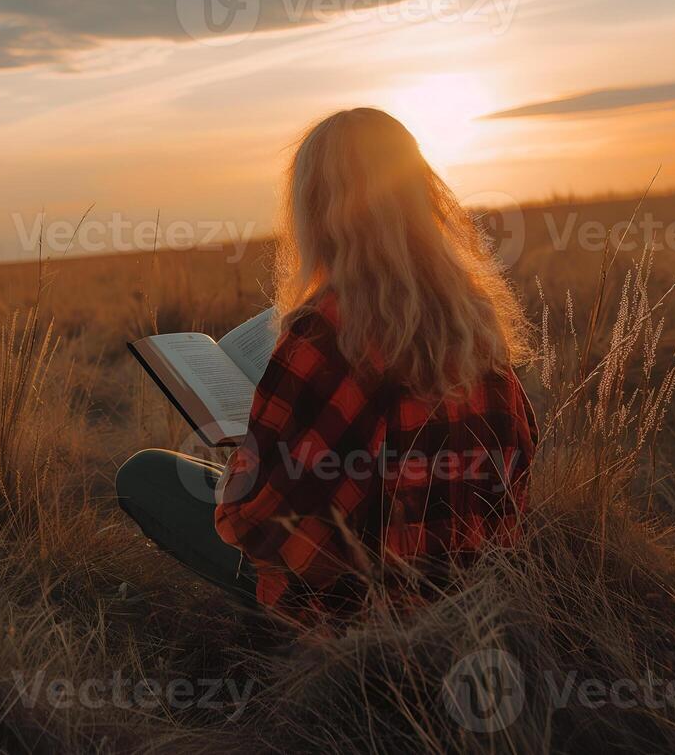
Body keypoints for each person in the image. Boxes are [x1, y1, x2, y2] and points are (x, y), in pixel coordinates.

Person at [116, 107, 537, 621]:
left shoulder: (328, 330)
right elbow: (515, 475)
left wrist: (243, 465)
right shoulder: (476, 320)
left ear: (315, 210)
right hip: (473, 599)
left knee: (149, 474)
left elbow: (258, 525)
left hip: (355, 614)